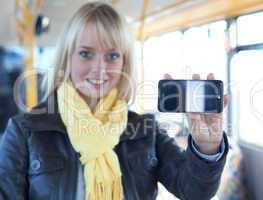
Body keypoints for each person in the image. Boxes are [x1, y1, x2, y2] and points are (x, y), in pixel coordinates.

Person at [0, 2, 229, 200]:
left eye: (112, 55)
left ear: (124, 63)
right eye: (85, 53)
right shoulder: (24, 131)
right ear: (66, 58)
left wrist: (206, 148)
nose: (99, 68)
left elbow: (194, 192)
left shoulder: (145, 129)